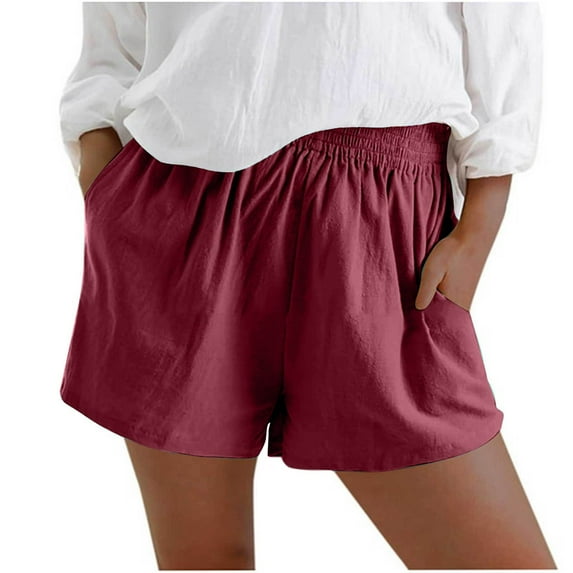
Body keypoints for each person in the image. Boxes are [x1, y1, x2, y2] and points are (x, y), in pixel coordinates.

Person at [58, 2, 556, 570]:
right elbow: (115, 31)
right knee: (205, 559)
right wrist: (102, 172)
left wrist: (484, 214)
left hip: (379, 221)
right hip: (185, 197)